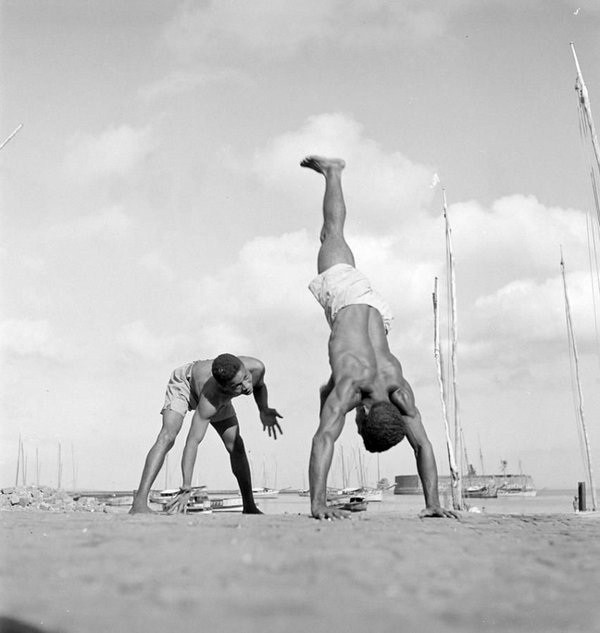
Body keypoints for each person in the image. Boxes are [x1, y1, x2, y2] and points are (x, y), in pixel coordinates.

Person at [300, 155, 457, 520]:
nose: (353, 420)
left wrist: (433, 504)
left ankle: (333, 175)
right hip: (347, 298)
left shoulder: (398, 389)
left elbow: (422, 445)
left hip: (376, 312)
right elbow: (324, 437)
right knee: (331, 234)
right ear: (368, 409)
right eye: (359, 423)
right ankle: (334, 172)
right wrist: (317, 504)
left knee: (333, 236)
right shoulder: (354, 385)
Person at [130, 354, 283, 514]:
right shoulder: (212, 398)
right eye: (237, 385)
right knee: (168, 436)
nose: (245, 386)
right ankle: (139, 503)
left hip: (215, 390)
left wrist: (264, 409)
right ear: (225, 388)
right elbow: (192, 441)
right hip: (185, 383)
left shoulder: (256, 367)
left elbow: (259, 386)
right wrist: (186, 486)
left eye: (245, 377)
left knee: (236, 445)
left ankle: (249, 506)